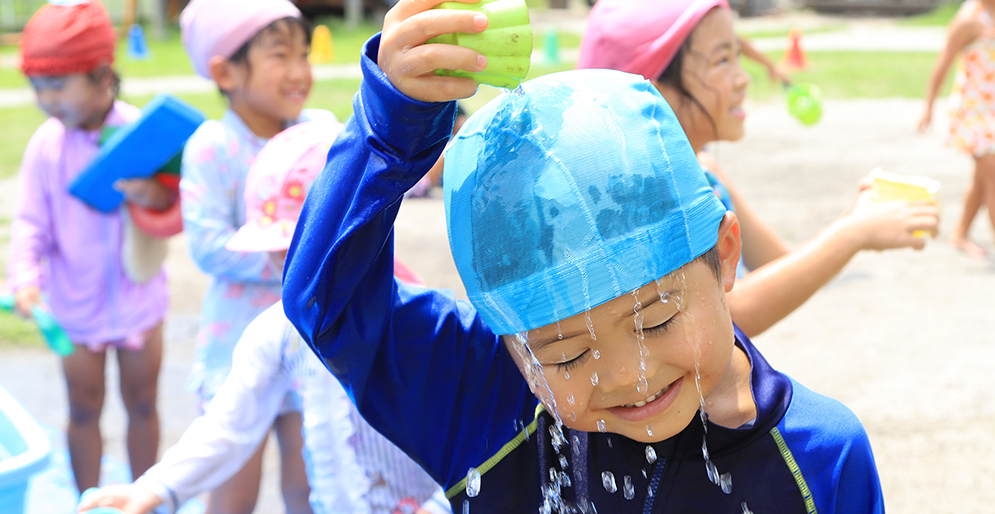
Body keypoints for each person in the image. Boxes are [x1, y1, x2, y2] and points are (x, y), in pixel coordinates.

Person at [281, 1, 884, 512]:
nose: (628, 375)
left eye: (655, 321)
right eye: (565, 353)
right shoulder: (486, 401)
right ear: (511, 341)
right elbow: (326, 302)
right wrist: (390, 129)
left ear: (724, 256)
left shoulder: (821, 456)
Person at [77, 122, 450, 514]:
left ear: (362, 232)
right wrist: (153, 488)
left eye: (304, 250)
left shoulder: (419, 323)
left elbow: (475, 431)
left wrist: (439, 506)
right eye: (277, 252)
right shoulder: (281, 332)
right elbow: (228, 428)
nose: (290, 271)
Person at [577, 0, 941, 337]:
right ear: (650, 96)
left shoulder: (705, 173)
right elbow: (730, 314)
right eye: (723, 61)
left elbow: (778, 265)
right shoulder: (646, 204)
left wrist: (858, 217)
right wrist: (852, 233)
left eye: (738, 57)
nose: (744, 78)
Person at [176, 0, 337, 510]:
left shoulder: (319, 132)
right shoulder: (213, 146)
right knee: (232, 489)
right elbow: (206, 245)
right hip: (237, 342)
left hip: (307, 341)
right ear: (225, 71)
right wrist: (285, 255)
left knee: (310, 485)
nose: (299, 72)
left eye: (304, 55)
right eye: (280, 57)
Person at [7, 0, 174, 493]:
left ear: (102, 76)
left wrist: (154, 195)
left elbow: (174, 210)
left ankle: (143, 498)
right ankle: (89, 500)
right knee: (83, 409)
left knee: (143, 405)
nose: (46, 98)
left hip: (140, 304)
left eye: (57, 85)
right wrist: (24, 277)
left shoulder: (141, 131)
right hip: (74, 310)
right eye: (38, 86)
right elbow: (30, 223)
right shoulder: (46, 146)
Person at [919, 0, 995, 259]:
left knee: (983, 180)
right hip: (974, 114)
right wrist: (928, 107)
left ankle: (960, 232)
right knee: (993, 178)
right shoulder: (970, 20)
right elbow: (944, 62)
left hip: (993, 113)